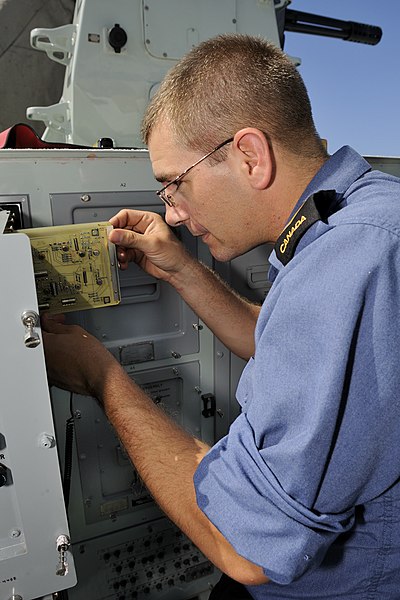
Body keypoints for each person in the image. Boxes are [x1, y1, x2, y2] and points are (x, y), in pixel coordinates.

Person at [42, 34, 400, 598]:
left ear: (249, 155)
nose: (173, 213)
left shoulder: (351, 259)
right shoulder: (360, 215)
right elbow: (295, 347)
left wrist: (101, 376)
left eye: (173, 184)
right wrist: (182, 269)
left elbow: (244, 546)